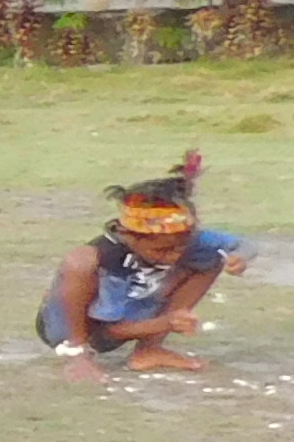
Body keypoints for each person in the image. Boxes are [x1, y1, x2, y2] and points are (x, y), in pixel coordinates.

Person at [41, 151, 246, 369]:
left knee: (212, 257)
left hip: (131, 308)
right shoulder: (110, 260)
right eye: (163, 251)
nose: (174, 256)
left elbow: (242, 245)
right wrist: (165, 323)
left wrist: (239, 258)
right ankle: (78, 352)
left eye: (180, 248)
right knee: (80, 262)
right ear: (128, 237)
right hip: (74, 327)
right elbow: (106, 331)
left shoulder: (181, 240)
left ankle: (149, 349)